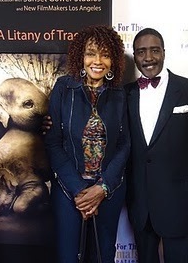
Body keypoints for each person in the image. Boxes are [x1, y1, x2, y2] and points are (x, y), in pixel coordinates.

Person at [124, 28, 188, 263]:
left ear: (164, 53)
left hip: (181, 202)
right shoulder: (123, 94)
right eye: (141, 52)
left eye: (154, 50)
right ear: (135, 57)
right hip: (140, 204)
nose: (148, 58)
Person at [44, 25, 130, 263]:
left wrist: (101, 189)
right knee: (68, 257)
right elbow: (53, 143)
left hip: (108, 191)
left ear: (113, 59)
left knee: (102, 256)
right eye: (91, 53)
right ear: (81, 57)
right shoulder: (64, 88)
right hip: (68, 190)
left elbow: (124, 144)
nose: (98, 61)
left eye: (105, 54)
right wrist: (80, 192)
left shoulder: (120, 94)